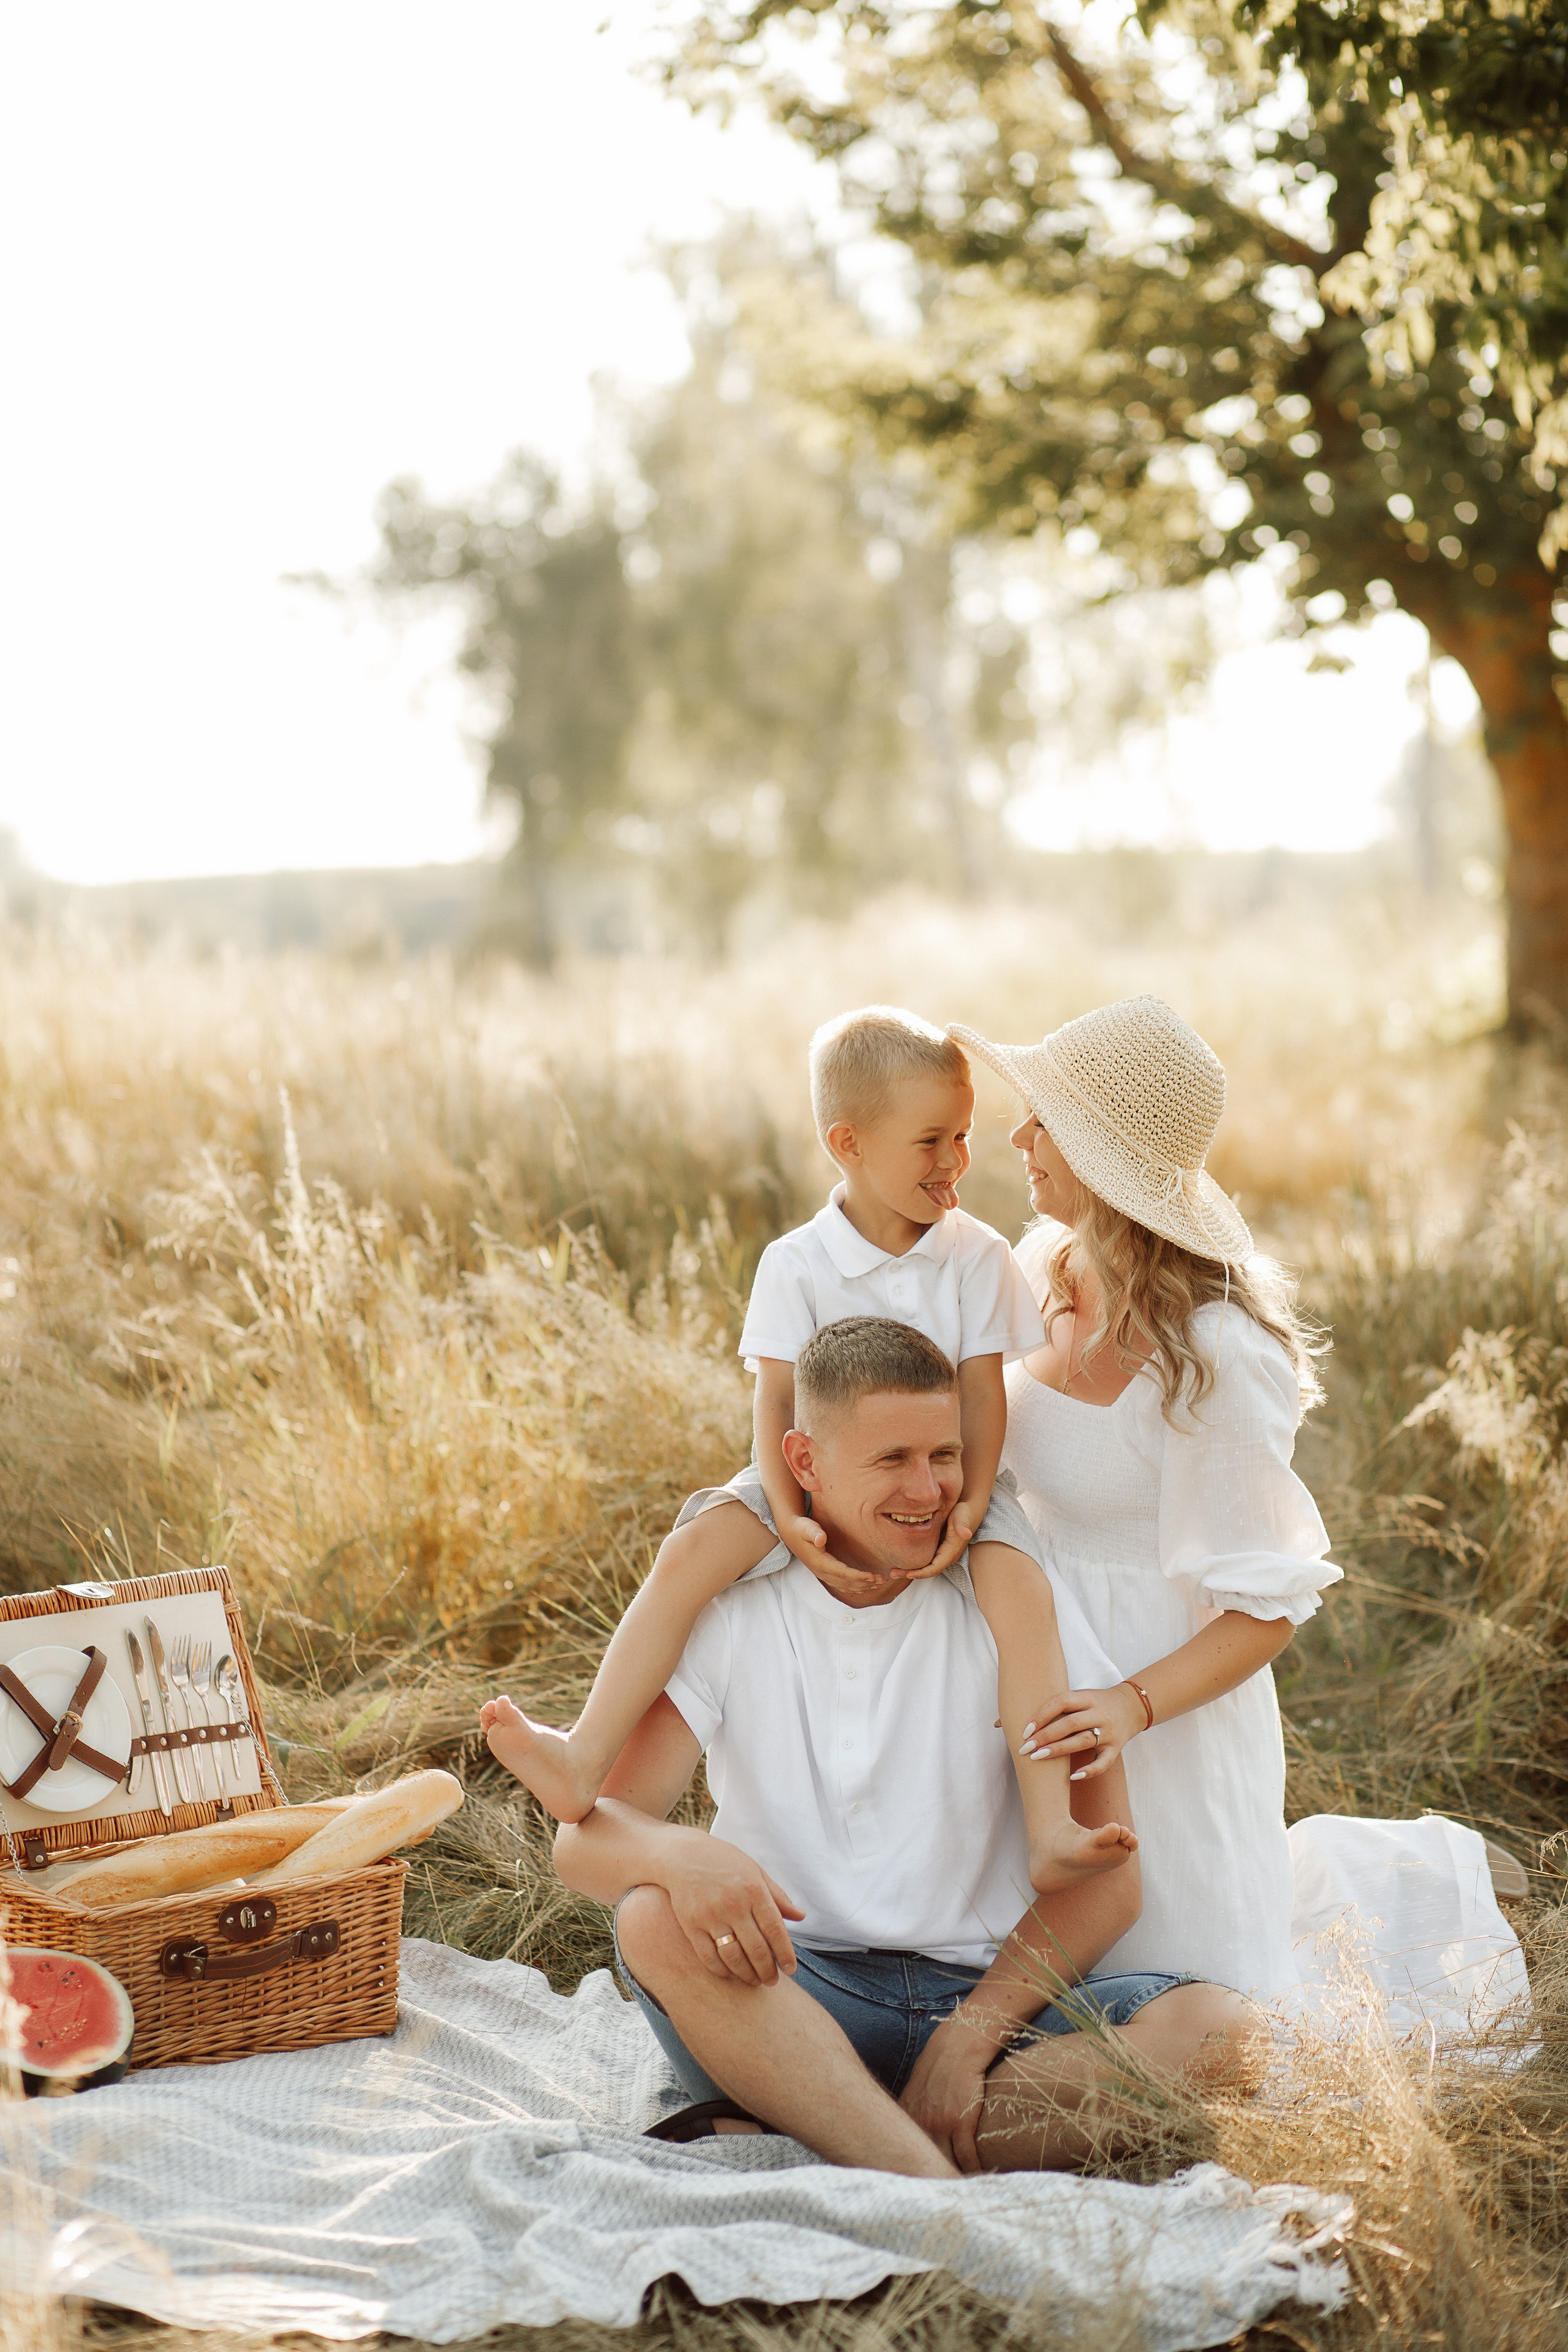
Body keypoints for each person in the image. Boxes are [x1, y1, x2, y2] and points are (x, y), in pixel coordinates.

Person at [537, 1316, 1265, 2171]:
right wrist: (679, 1857)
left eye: (946, 1457)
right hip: (794, 1992)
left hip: (993, 2001)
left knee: (1226, 2037)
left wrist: (969, 2040)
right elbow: (584, 1841)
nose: (928, 1492)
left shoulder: (1016, 1606)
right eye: (892, 1460)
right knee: (652, 1918)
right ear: (804, 1462)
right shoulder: (733, 1613)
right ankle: (923, 2171)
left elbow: (1107, 1890)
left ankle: (823, 2124)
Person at [484, 1007, 1134, 1894]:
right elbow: (776, 1400)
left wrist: (975, 1505)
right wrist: (787, 1518)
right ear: (849, 1143)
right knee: (694, 1548)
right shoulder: (797, 1263)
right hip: (806, 1472)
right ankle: (583, 1752)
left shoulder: (976, 1257)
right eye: (930, 1141)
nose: (954, 1163)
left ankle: (1052, 1826)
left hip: (948, 1479)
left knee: (1022, 1594)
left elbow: (985, 1397)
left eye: (964, 1137)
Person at [947, 995, 1341, 1999]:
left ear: (1099, 1148)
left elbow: (1265, 1610)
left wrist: (1131, 1705)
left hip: (1160, 1702)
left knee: (1168, 1997)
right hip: (1033, 1666)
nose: (1019, 1135)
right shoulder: (1043, 1266)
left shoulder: (1217, 1357)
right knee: (1014, 1972)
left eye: (1046, 1118)